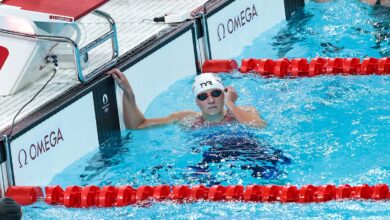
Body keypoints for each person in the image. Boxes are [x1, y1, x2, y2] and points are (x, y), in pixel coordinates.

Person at [107, 68, 266, 129]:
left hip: (247, 151)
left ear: (224, 94)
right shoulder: (186, 118)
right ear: (196, 101)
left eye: (216, 93)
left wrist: (230, 103)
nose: (210, 100)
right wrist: (128, 93)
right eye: (203, 96)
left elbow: (258, 126)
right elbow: (138, 125)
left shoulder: (245, 111)